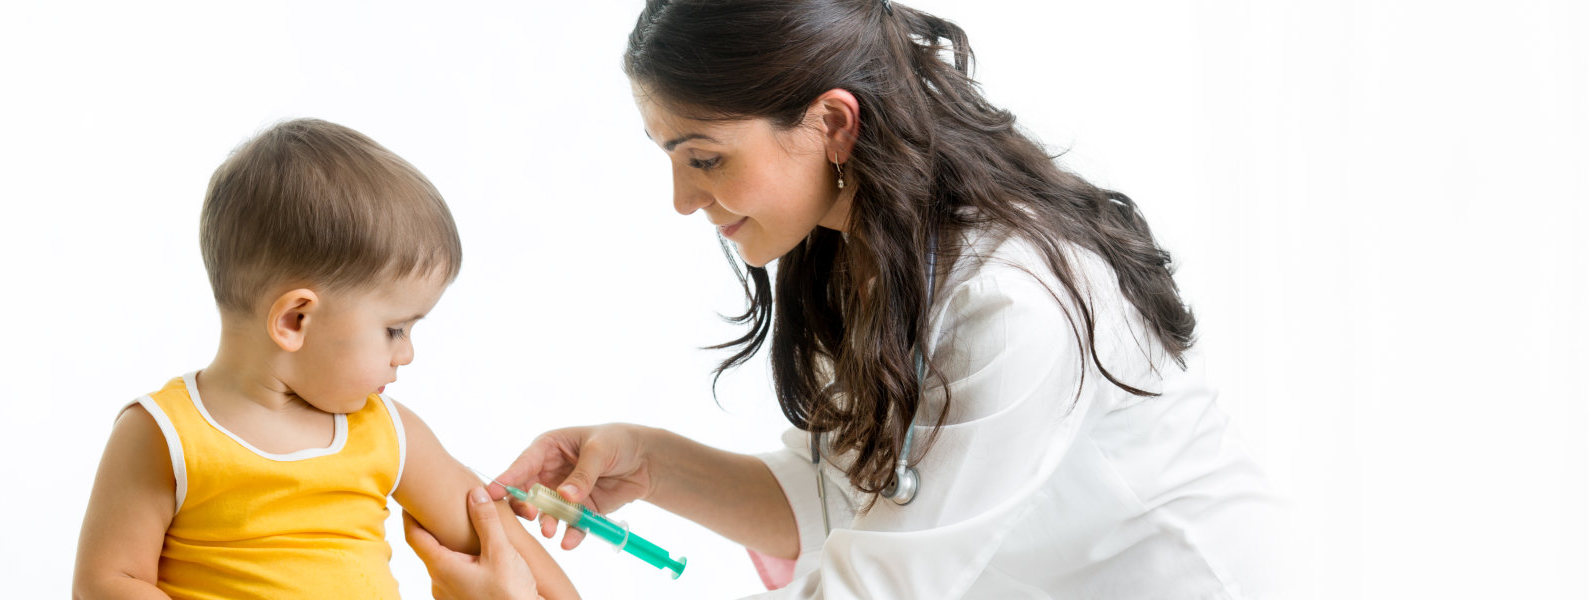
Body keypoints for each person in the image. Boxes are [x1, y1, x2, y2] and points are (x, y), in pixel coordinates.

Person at [407, 0, 1284, 597]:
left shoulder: (1012, 305)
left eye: (703, 157)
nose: (680, 199)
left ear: (831, 123)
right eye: (666, 155)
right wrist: (652, 461)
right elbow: (844, 494)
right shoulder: (860, 247)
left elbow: (878, 579)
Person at [71, 119, 576, 599]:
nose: (407, 354)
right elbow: (106, 581)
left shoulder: (389, 433)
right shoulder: (164, 434)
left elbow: (502, 541)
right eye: (394, 329)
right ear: (295, 320)